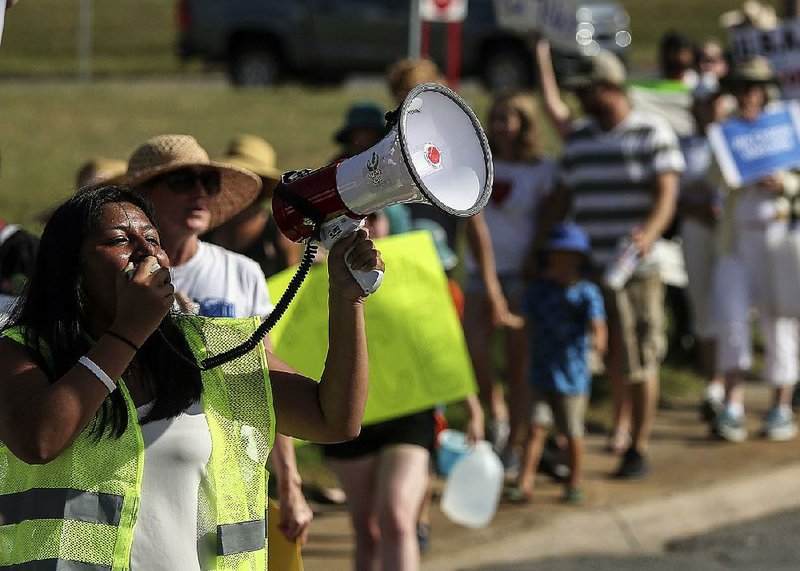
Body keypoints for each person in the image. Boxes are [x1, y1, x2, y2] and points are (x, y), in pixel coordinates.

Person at [0, 185, 382, 569]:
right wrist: (131, 329)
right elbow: (39, 440)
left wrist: (347, 299)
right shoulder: (21, 351)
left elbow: (335, 420)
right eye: (119, 240)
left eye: (153, 238)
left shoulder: (210, 348)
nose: (147, 251)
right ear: (71, 266)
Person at [125, 134, 313, 545]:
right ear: (142, 199)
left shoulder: (242, 273)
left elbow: (263, 380)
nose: (199, 194)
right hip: (138, 466)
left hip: (226, 468)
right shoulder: (116, 279)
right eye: (181, 182)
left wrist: (291, 482)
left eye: (208, 183)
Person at [535, 47, 684, 478]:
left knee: (639, 358)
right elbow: (563, 198)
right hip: (591, 268)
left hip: (636, 269)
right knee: (609, 354)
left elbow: (666, 194)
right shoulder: (580, 140)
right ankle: (612, 429)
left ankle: (638, 445)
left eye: (586, 91)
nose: (580, 99)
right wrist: (541, 250)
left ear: (608, 88)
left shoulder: (650, 132)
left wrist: (648, 235)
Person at [323, 211, 483, 571]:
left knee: (396, 517)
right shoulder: (319, 274)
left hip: (411, 412)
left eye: (374, 217)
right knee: (367, 532)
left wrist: (470, 403)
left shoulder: (417, 270)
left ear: (391, 221)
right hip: (349, 414)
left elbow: (440, 339)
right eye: (355, 220)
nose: (366, 227)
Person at [710, 57, 800, 442]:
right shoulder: (725, 134)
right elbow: (715, 178)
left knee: (780, 319)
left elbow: (797, 181)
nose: (749, 95)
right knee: (732, 319)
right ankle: (733, 403)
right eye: (742, 88)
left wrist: (783, 186)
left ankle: (780, 405)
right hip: (737, 241)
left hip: (778, 238)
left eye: (755, 88)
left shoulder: (786, 128)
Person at [464, 91, 555, 470]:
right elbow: (474, 223)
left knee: (519, 365)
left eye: (508, 118)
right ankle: (495, 413)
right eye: (495, 117)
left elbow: (553, 212)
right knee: (474, 354)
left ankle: (515, 446)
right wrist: (491, 287)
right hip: (478, 277)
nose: (500, 125)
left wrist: (537, 255)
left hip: (522, 277)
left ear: (525, 123)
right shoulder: (477, 165)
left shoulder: (542, 169)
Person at [506, 223, 606, 504]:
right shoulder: (540, 291)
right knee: (535, 427)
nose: (561, 263)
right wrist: (508, 320)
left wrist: (599, 342)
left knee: (571, 432)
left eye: (568, 257)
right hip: (541, 372)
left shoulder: (586, 293)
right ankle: (524, 481)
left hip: (573, 376)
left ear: (579, 260)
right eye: (557, 256)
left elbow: (598, 323)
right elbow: (523, 319)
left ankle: (574, 481)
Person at [678, 75, 728, 423]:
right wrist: (699, 210)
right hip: (697, 230)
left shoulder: (737, 138)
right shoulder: (682, 145)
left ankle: (728, 382)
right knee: (703, 304)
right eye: (704, 101)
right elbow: (672, 194)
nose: (709, 107)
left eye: (715, 101)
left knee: (729, 303)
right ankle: (714, 382)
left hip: (734, 233)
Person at [205, 134, 302, 278]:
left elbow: (292, 284)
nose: (238, 187)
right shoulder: (202, 225)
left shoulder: (280, 235)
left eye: (247, 180)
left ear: (262, 187)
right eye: (234, 178)